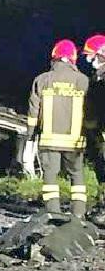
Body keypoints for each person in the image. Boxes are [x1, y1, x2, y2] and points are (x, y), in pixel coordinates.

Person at [23, 40, 89, 217]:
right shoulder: (83, 81)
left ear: (54, 57)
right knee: (77, 176)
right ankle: (79, 214)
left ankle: (53, 213)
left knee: (50, 177)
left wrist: (30, 137)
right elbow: (91, 112)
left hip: (49, 141)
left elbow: (33, 112)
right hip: (75, 143)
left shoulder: (43, 80)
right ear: (74, 59)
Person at [82, 34, 105, 226]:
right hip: (97, 132)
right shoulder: (97, 77)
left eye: (93, 56)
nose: (90, 61)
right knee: (101, 169)